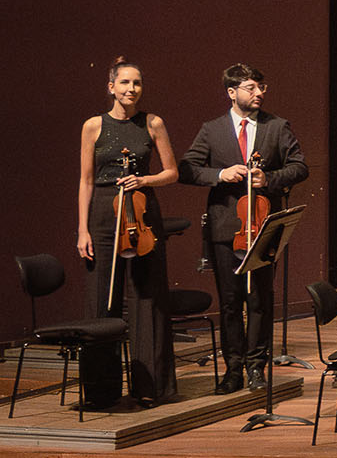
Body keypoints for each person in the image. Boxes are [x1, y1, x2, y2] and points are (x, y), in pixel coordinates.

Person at [182, 61, 310, 390]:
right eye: (251, 88)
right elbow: (187, 168)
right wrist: (219, 175)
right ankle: (233, 368)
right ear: (231, 92)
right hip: (226, 227)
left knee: (259, 299)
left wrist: (269, 178)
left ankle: (257, 366)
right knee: (229, 300)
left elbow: (299, 167)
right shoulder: (211, 129)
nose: (258, 94)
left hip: (264, 225)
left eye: (261, 88)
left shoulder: (277, 126)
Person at [75, 58, 185, 410]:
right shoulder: (93, 126)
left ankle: (152, 387)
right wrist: (83, 230)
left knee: (147, 298)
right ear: (111, 87)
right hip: (103, 214)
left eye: (136, 83)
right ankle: (101, 390)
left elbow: (172, 172)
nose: (131, 89)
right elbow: (86, 180)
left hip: (140, 209)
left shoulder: (153, 123)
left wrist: (144, 180)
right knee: (101, 302)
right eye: (124, 83)